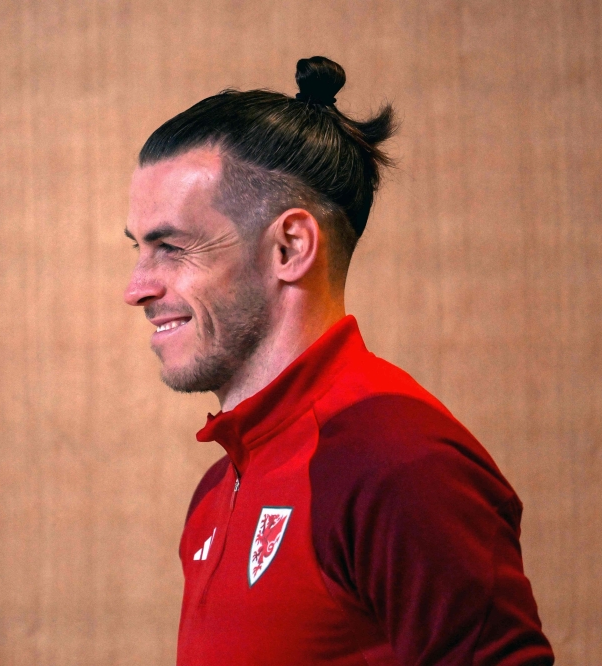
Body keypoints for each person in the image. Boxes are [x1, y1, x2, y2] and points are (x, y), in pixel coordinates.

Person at [123, 56, 554, 665]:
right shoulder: (220, 484)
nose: (136, 287)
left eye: (170, 248)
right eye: (138, 250)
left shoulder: (400, 462)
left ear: (289, 246)